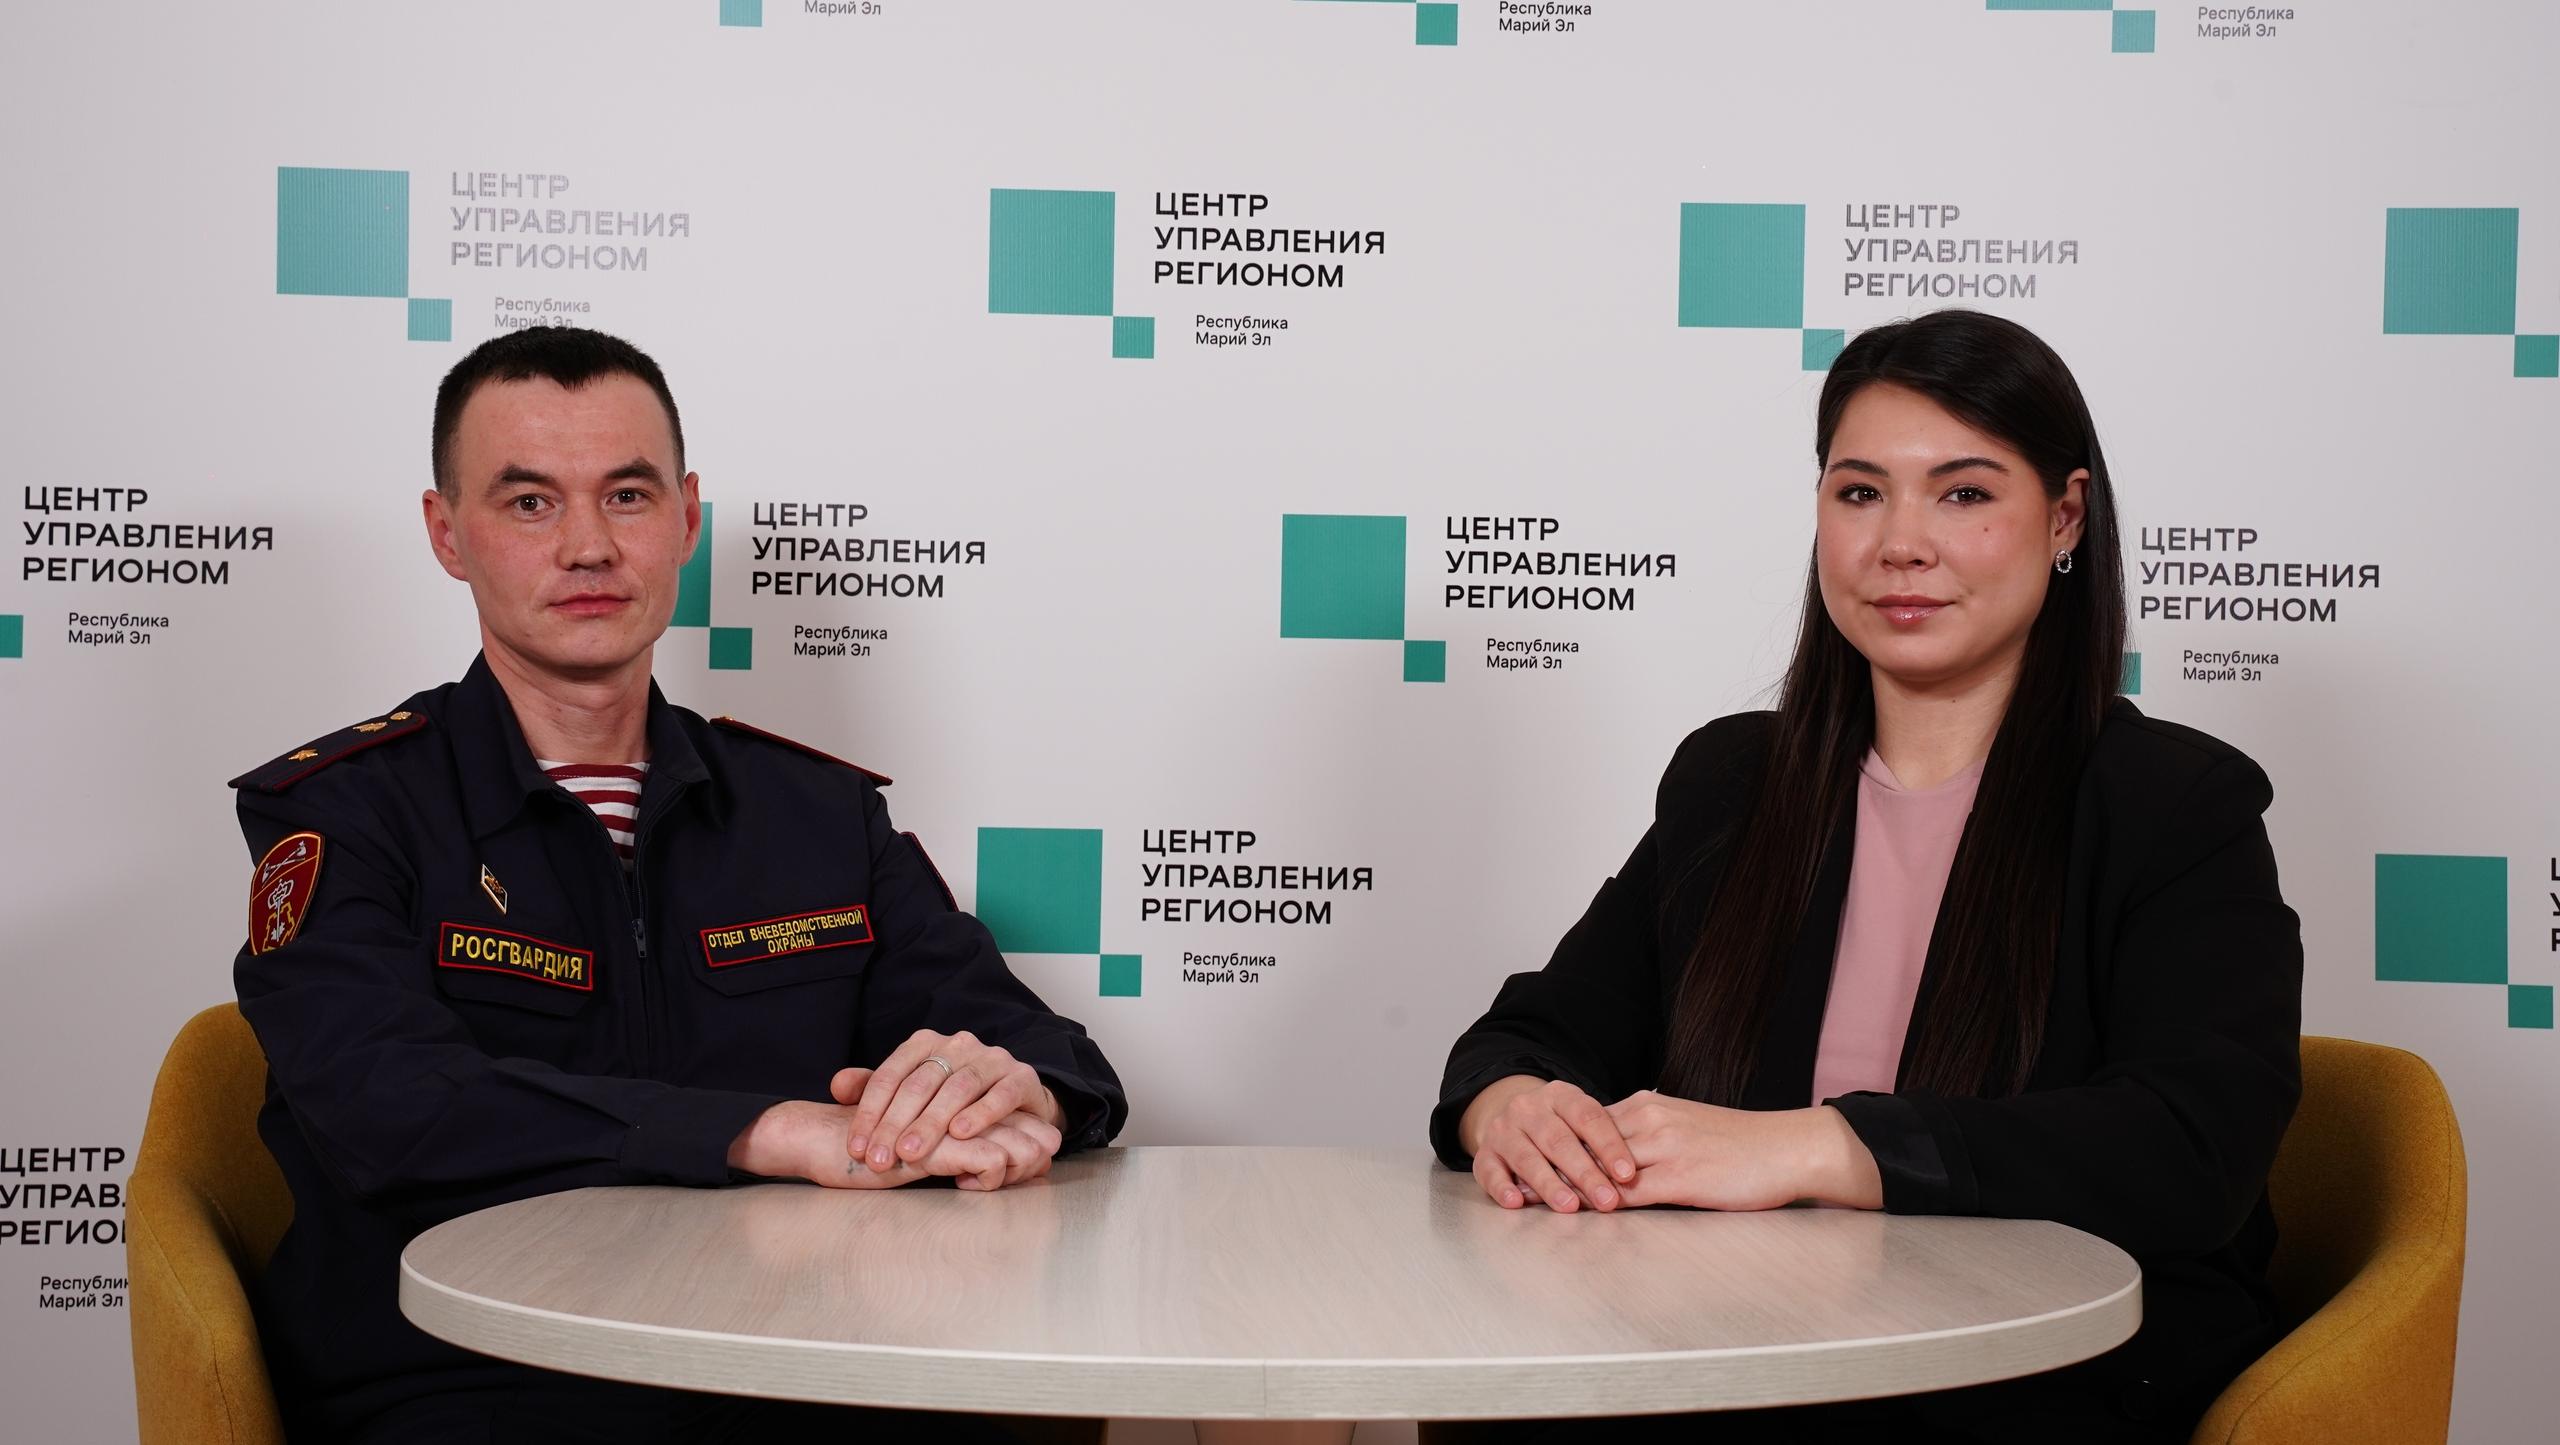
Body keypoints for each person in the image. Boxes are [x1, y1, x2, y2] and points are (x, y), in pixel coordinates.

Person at [229, 325, 1126, 1443]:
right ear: (446, 532)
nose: (589, 546)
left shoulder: (815, 810)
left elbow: (1038, 1045)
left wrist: (1009, 1090)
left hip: (801, 1362)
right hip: (476, 1383)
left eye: (628, 495)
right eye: (529, 502)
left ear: (688, 519)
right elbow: (387, 1106)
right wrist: (765, 1131)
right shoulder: (344, 810)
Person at [1429, 309, 2302, 1444]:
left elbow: (2190, 1148)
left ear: (2065, 516)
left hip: (2031, 1380)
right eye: (1859, 492)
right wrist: (1513, 1107)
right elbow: (1532, 1033)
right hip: (1736, 1348)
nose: (1901, 543)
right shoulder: (1734, 780)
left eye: (1963, 492)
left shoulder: (2176, 803)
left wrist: (1819, 1144)